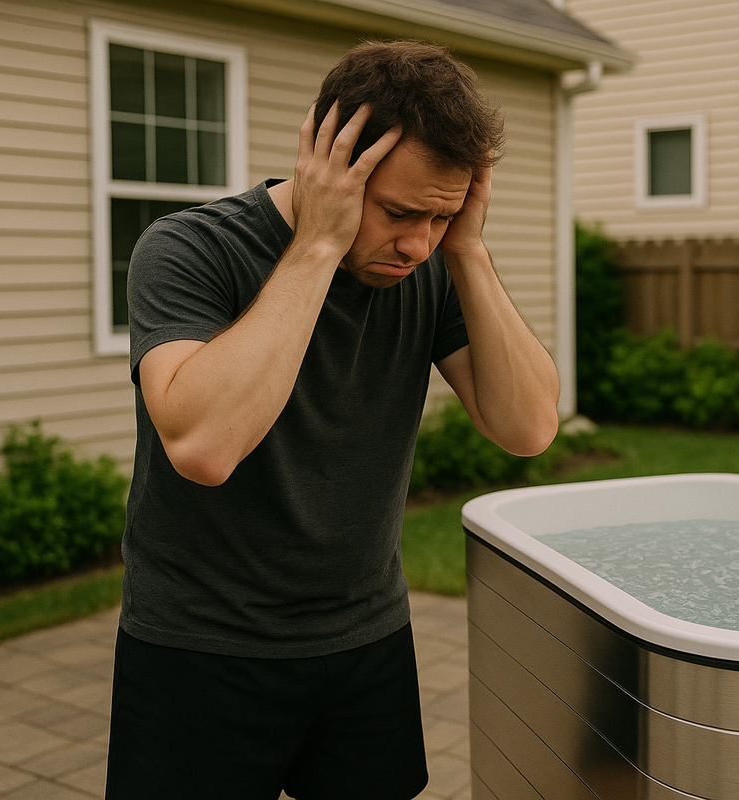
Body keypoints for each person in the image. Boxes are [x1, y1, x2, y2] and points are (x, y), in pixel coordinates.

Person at [104, 40, 560, 800]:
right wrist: (318, 243)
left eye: (441, 217)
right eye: (398, 213)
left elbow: (527, 428)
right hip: (199, 645)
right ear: (327, 162)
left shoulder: (432, 263)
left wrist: (469, 249)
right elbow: (203, 446)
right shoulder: (190, 250)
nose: (417, 244)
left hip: (366, 635)